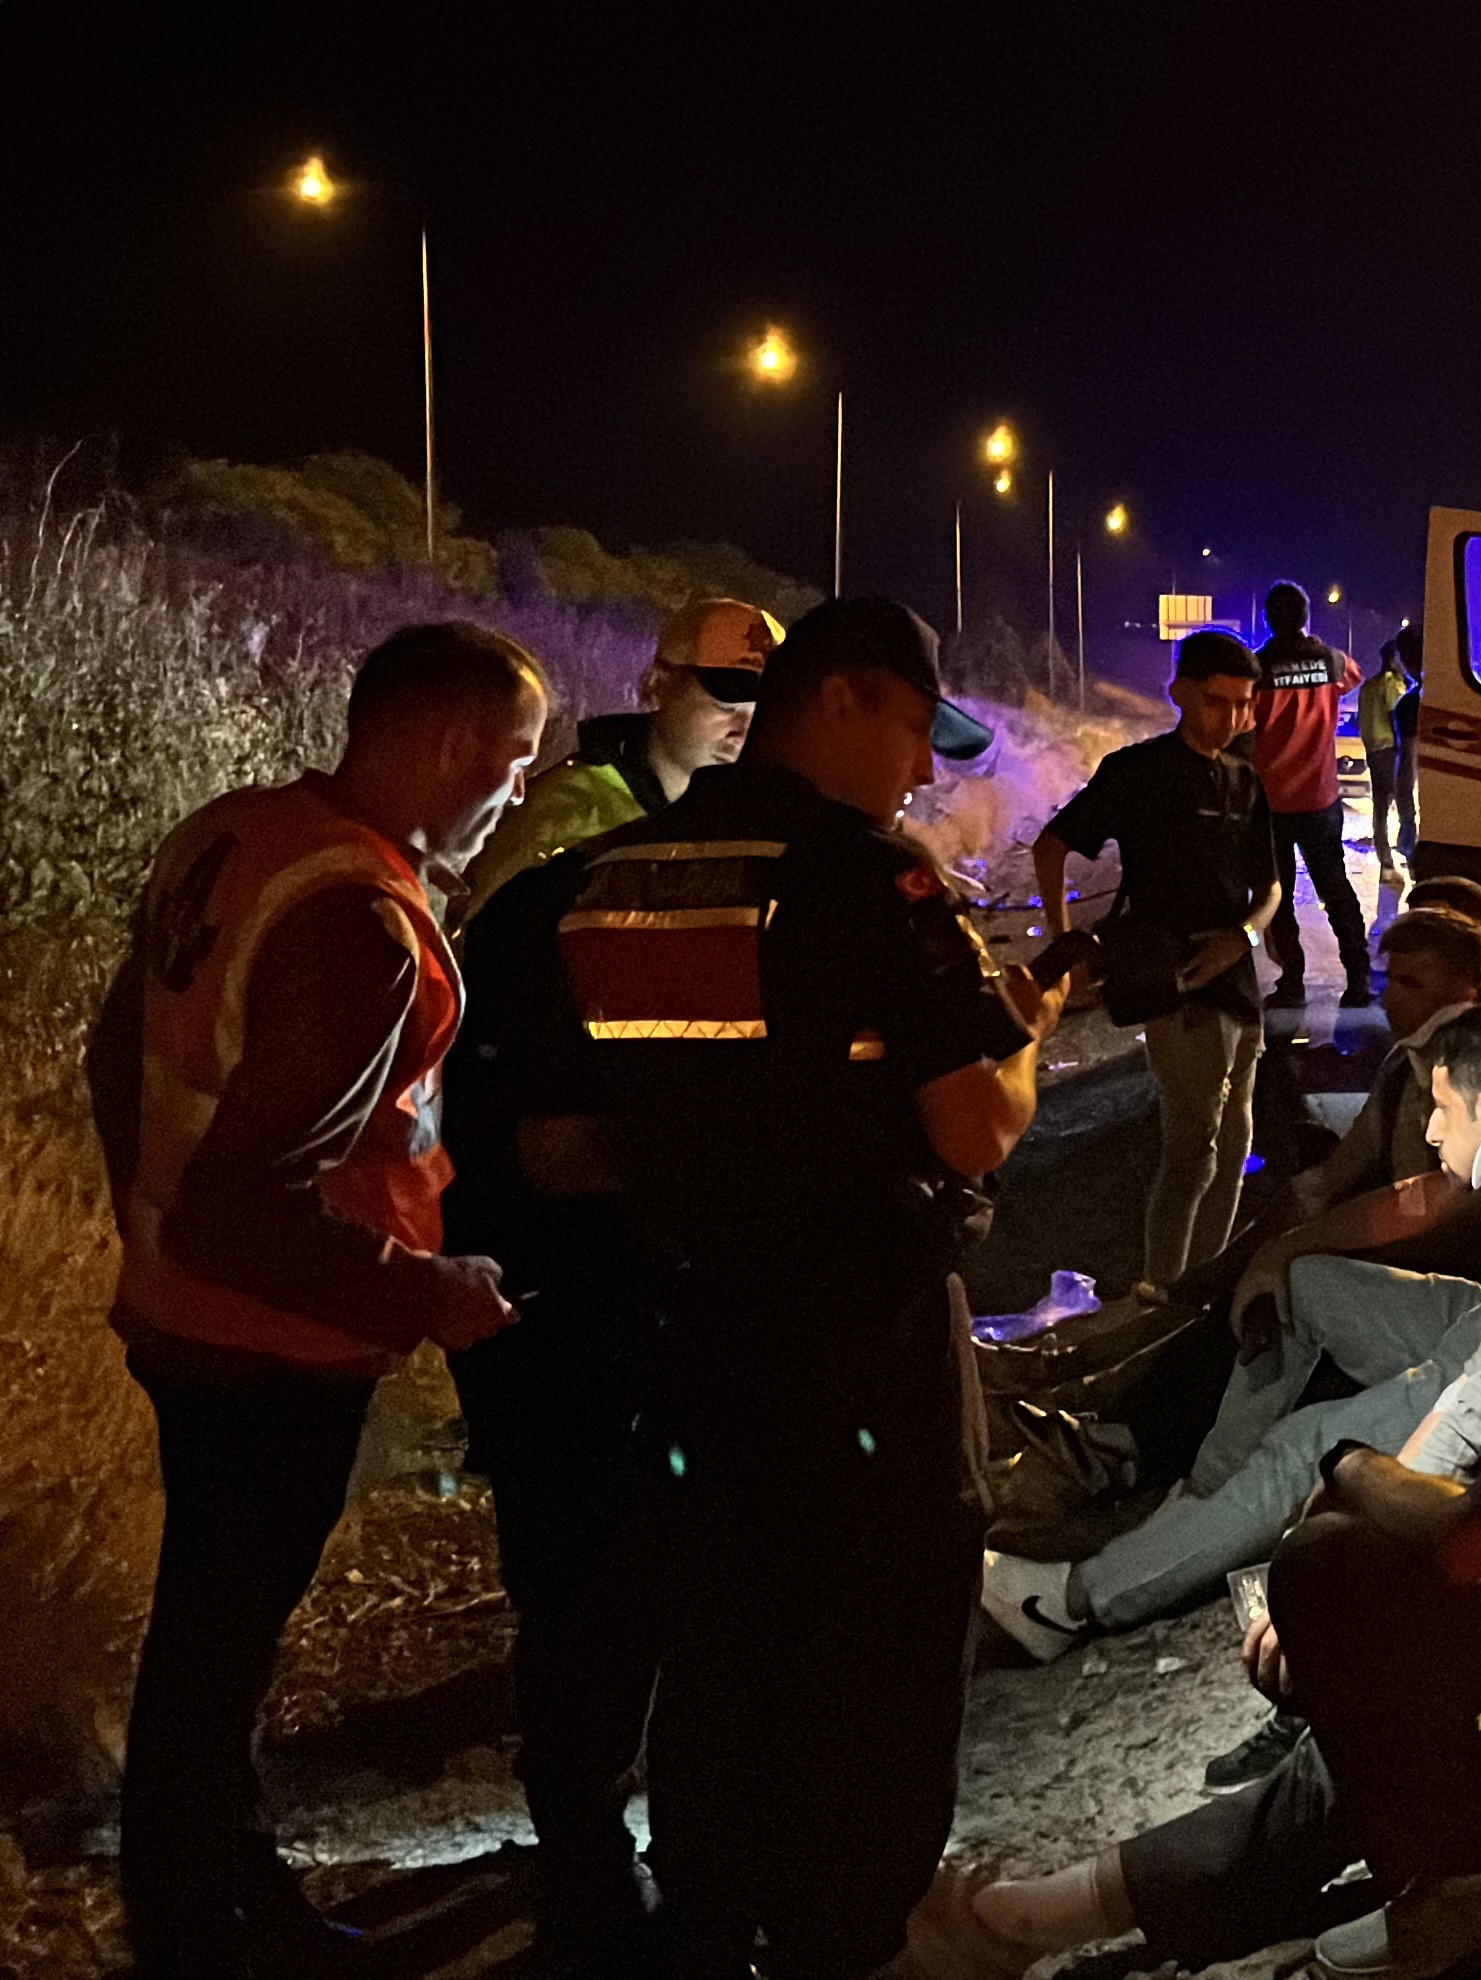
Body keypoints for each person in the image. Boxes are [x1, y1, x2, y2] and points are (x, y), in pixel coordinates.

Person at [914, 1053, 1481, 1980]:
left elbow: (1466, 1540)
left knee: (1332, 1568)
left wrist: (1344, 1465)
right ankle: (1044, 1918)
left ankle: (1459, 1884)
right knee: (1385, 1677)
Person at [557, 597, 1065, 1979]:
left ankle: (709, 1906)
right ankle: (853, 1922)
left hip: (682, 1333)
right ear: (838, 699)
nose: (922, 771)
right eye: (912, 727)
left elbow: (560, 1131)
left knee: (722, 1625)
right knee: (888, 1635)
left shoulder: (619, 870)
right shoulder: (868, 879)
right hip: (859, 1338)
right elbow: (972, 1126)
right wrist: (1023, 1041)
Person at [85, 622, 548, 1978]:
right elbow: (257, 1196)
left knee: (205, 1628)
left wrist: (143, 1228)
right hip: (276, 1343)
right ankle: (196, 1925)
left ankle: (221, 1884)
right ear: (454, 740)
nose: (515, 793)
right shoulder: (363, 923)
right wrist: (427, 1287)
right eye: (513, 764)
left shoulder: (234, 836)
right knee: (219, 1642)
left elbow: (124, 1051)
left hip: (184, 1315)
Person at [973, 997, 1481, 1662]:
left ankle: (1068, 1602)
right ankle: (1201, 1505)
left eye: (1443, 1110)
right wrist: (1279, 1254)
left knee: (1309, 1440)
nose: (1430, 1131)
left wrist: (1375, 1475)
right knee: (1307, 1284)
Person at [439, 844, 666, 1967]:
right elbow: (551, 1146)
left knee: (626, 1583)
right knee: (585, 1588)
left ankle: (615, 1843)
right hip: (551, 1311)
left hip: (608, 1308)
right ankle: (582, 1859)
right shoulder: (559, 907)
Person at [1033, 631, 1282, 1300]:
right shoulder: (1137, 771)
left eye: (1243, 705)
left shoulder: (1245, 779)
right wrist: (1065, 947)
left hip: (1238, 980)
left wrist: (1245, 937)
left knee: (1234, 1142)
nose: (1230, 719)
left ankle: (1203, 1289)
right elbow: (1052, 846)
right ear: (1178, 693)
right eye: (1214, 701)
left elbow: (1272, 888)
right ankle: (1161, 1288)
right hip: (1171, 983)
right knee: (1192, 1141)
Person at [458, 597, 779, 917]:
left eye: (763, 712)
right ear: (656, 685)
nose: (744, 729)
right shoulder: (564, 819)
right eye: (727, 705)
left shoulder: (746, 823)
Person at [1294, 905, 1481, 1217]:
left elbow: (1448, 1209)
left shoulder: (1478, 1069)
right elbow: (1350, 1160)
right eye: (1391, 982)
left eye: (1412, 985)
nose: (1389, 1000)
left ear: (1465, 991)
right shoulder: (1404, 1060)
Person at [1251, 581, 1374, 1007]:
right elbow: (1353, 675)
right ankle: (1358, 979)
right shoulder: (1329, 661)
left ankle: (1293, 983)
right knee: (1336, 888)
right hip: (1321, 800)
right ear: (1306, 618)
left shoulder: (1258, 668)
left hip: (1271, 804)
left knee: (1277, 895)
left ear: (1268, 619)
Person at [1360, 631, 1414, 887]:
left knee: (1380, 808)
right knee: (1403, 801)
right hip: (1391, 750)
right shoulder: (1391, 683)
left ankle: (1385, 860)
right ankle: (1407, 854)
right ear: (1393, 659)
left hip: (1373, 751)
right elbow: (1396, 715)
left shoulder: (1368, 685)